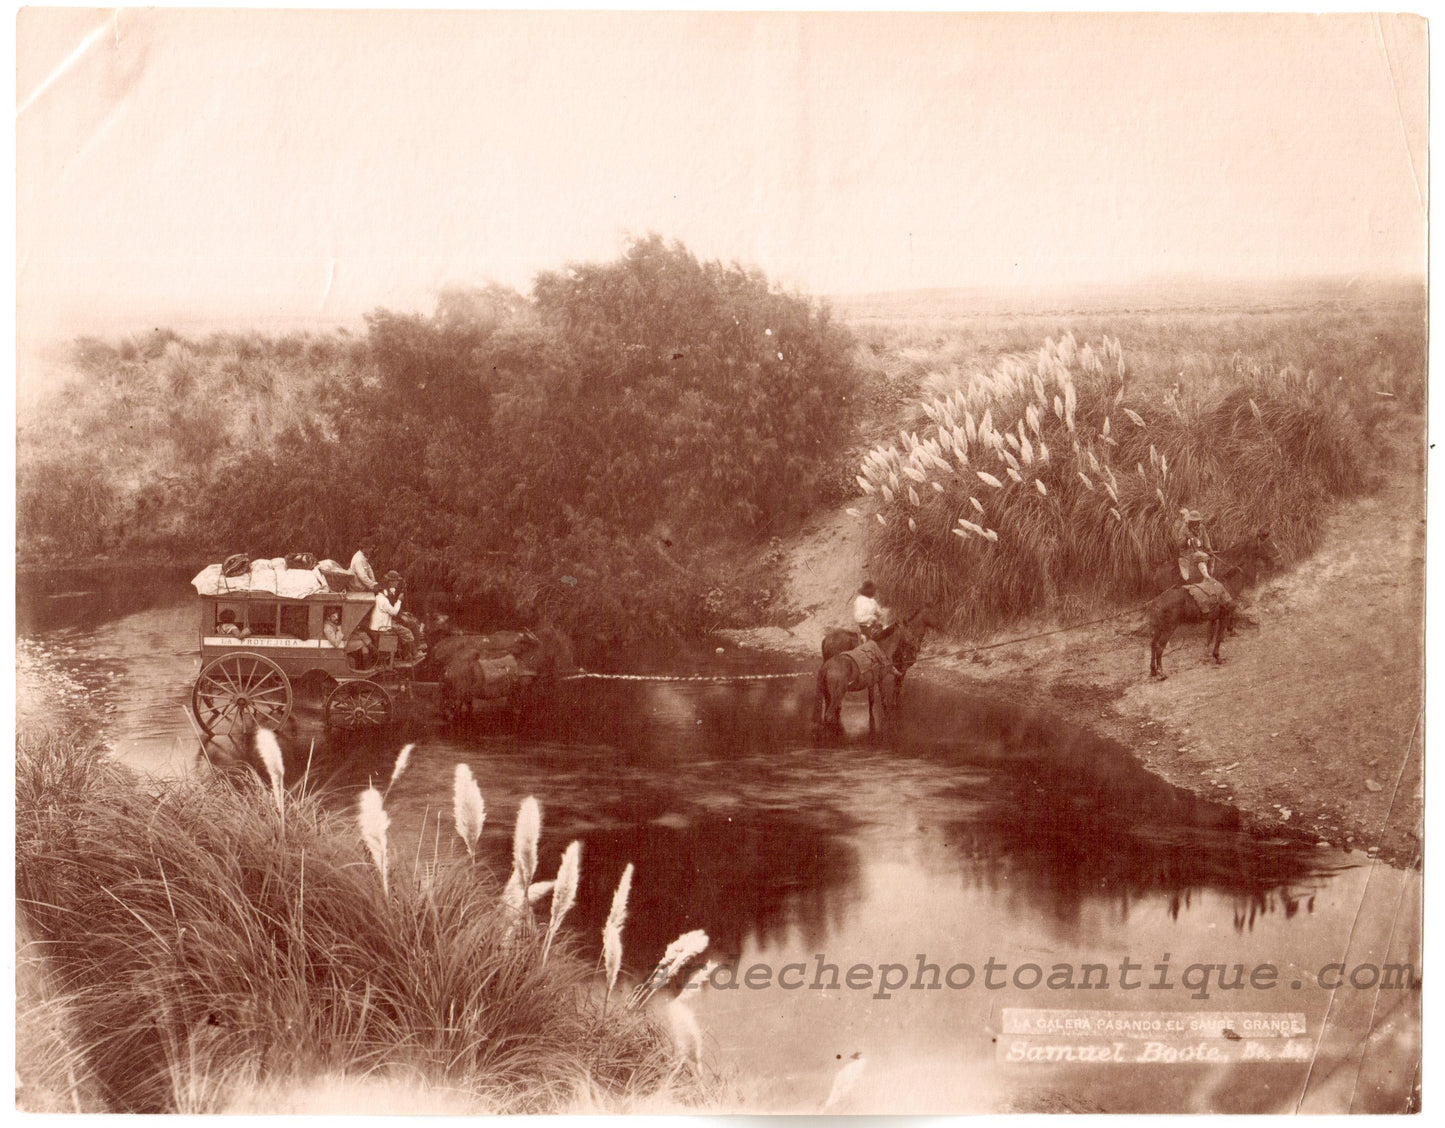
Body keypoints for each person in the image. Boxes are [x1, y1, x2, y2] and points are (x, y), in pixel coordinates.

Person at [369, 575, 418, 661]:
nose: (397, 584)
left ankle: (406, 654)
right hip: (382, 627)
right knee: (407, 632)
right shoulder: (383, 600)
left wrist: (402, 613)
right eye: (396, 581)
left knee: (402, 629)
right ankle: (414, 654)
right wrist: (399, 600)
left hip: (380, 624)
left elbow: (391, 609)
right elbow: (394, 612)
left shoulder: (379, 598)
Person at [1173, 509, 1214, 583]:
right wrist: (1186, 539)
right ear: (1190, 521)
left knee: (1211, 557)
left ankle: (1211, 574)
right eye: (1194, 521)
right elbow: (1180, 544)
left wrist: (1209, 549)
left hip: (1200, 551)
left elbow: (1206, 539)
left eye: (1197, 521)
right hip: (1188, 554)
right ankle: (1207, 578)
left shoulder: (1201, 528)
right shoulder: (1184, 529)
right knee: (1201, 557)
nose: (1196, 523)